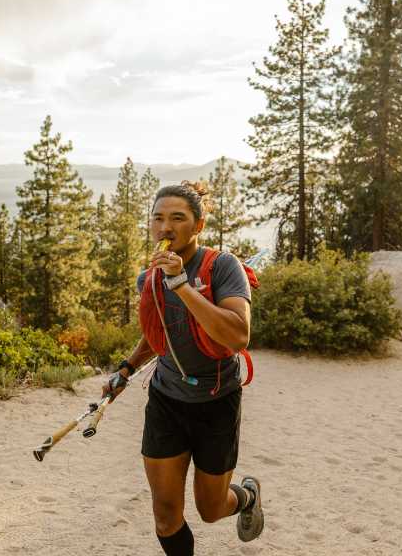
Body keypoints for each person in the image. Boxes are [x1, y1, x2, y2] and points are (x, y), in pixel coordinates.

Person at [102, 181, 263, 556]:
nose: (165, 227)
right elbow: (158, 332)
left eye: (177, 218)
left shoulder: (223, 267)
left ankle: (246, 497)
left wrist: (181, 284)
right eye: (157, 218)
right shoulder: (150, 277)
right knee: (165, 515)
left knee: (210, 509)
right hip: (166, 401)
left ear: (198, 226)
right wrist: (126, 369)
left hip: (216, 401)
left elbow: (238, 335)